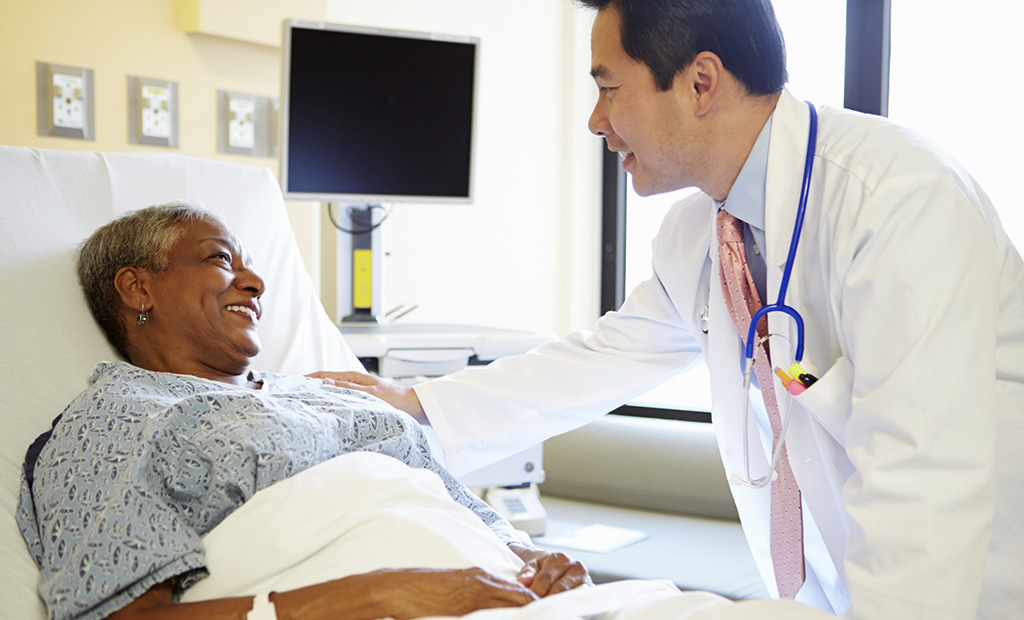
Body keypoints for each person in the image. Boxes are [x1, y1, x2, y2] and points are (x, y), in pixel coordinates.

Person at [318, 1, 1024, 618]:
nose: (596, 121)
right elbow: (600, 359)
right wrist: (417, 405)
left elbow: (922, 489)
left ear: (700, 83)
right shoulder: (701, 236)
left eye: (609, 89)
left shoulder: (898, 202)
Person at [17, 203, 590, 620]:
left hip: (519, 595)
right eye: (221, 259)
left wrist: (533, 557)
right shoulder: (117, 419)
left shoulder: (326, 390)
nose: (256, 283)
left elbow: (462, 508)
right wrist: (378, 593)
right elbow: (120, 615)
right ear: (137, 288)